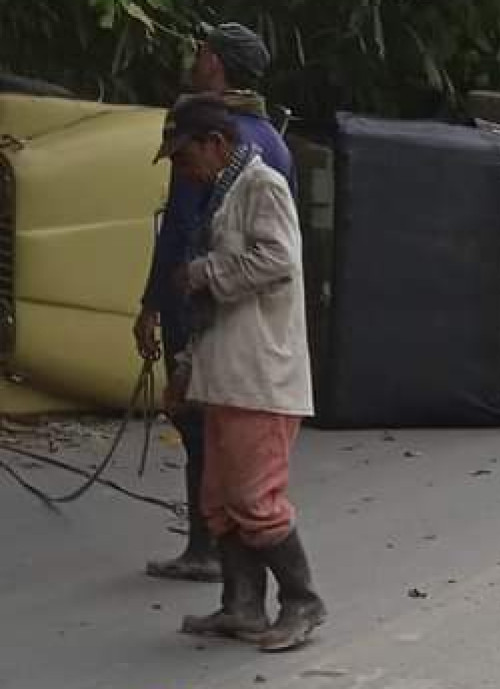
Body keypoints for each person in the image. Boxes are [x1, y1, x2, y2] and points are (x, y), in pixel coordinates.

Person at [156, 94, 325, 652]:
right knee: (220, 501)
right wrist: (186, 368)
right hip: (225, 374)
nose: (184, 170)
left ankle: (302, 602)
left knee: (255, 500)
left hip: (260, 377)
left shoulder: (261, 187)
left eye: (186, 157)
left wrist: (205, 271)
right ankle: (242, 605)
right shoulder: (223, 196)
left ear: (216, 144)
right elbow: (211, 310)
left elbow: (278, 261)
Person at [134, 22, 293, 582]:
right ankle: (237, 587)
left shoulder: (205, 140)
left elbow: (182, 231)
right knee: (226, 438)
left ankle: (217, 554)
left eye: (202, 53)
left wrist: (155, 303)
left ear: (217, 64)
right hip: (254, 321)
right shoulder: (273, 141)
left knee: (204, 430)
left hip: (206, 306)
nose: (196, 60)